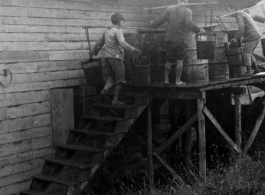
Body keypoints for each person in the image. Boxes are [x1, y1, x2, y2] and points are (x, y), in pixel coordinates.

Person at [150, 0, 206, 85]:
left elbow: (161, 19)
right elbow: (189, 23)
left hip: (169, 39)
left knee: (168, 60)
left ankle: (166, 80)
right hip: (180, 39)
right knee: (180, 60)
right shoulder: (187, 11)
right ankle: (177, 81)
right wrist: (199, 29)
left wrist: (153, 24)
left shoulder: (169, 9)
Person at [90, 13, 141, 105]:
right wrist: (134, 50)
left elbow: (99, 43)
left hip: (107, 57)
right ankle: (115, 100)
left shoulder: (107, 31)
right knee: (120, 79)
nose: (122, 22)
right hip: (116, 57)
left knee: (112, 77)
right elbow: (123, 43)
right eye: (122, 20)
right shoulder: (118, 31)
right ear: (119, 21)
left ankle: (103, 92)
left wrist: (94, 52)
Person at [226, 4, 262, 76]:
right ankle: (256, 69)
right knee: (249, 53)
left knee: (245, 52)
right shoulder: (243, 13)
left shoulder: (239, 15)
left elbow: (241, 27)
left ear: (233, 9)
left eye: (228, 10)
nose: (228, 12)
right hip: (256, 35)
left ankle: (248, 72)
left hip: (252, 36)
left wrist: (236, 38)